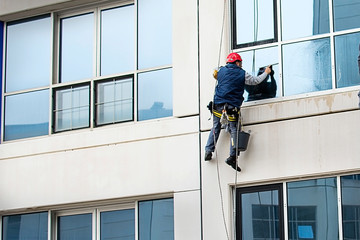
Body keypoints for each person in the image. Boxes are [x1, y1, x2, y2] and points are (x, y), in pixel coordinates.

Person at [204, 52, 271, 171]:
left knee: (215, 127)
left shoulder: (220, 70)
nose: (241, 65)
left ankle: (208, 150)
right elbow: (255, 81)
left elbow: (215, 72)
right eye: (240, 63)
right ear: (237, 62)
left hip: (218, 105)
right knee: (234, 130)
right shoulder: (242, 73)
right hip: (231, 107)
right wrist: (266, 72)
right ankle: (232, 157)